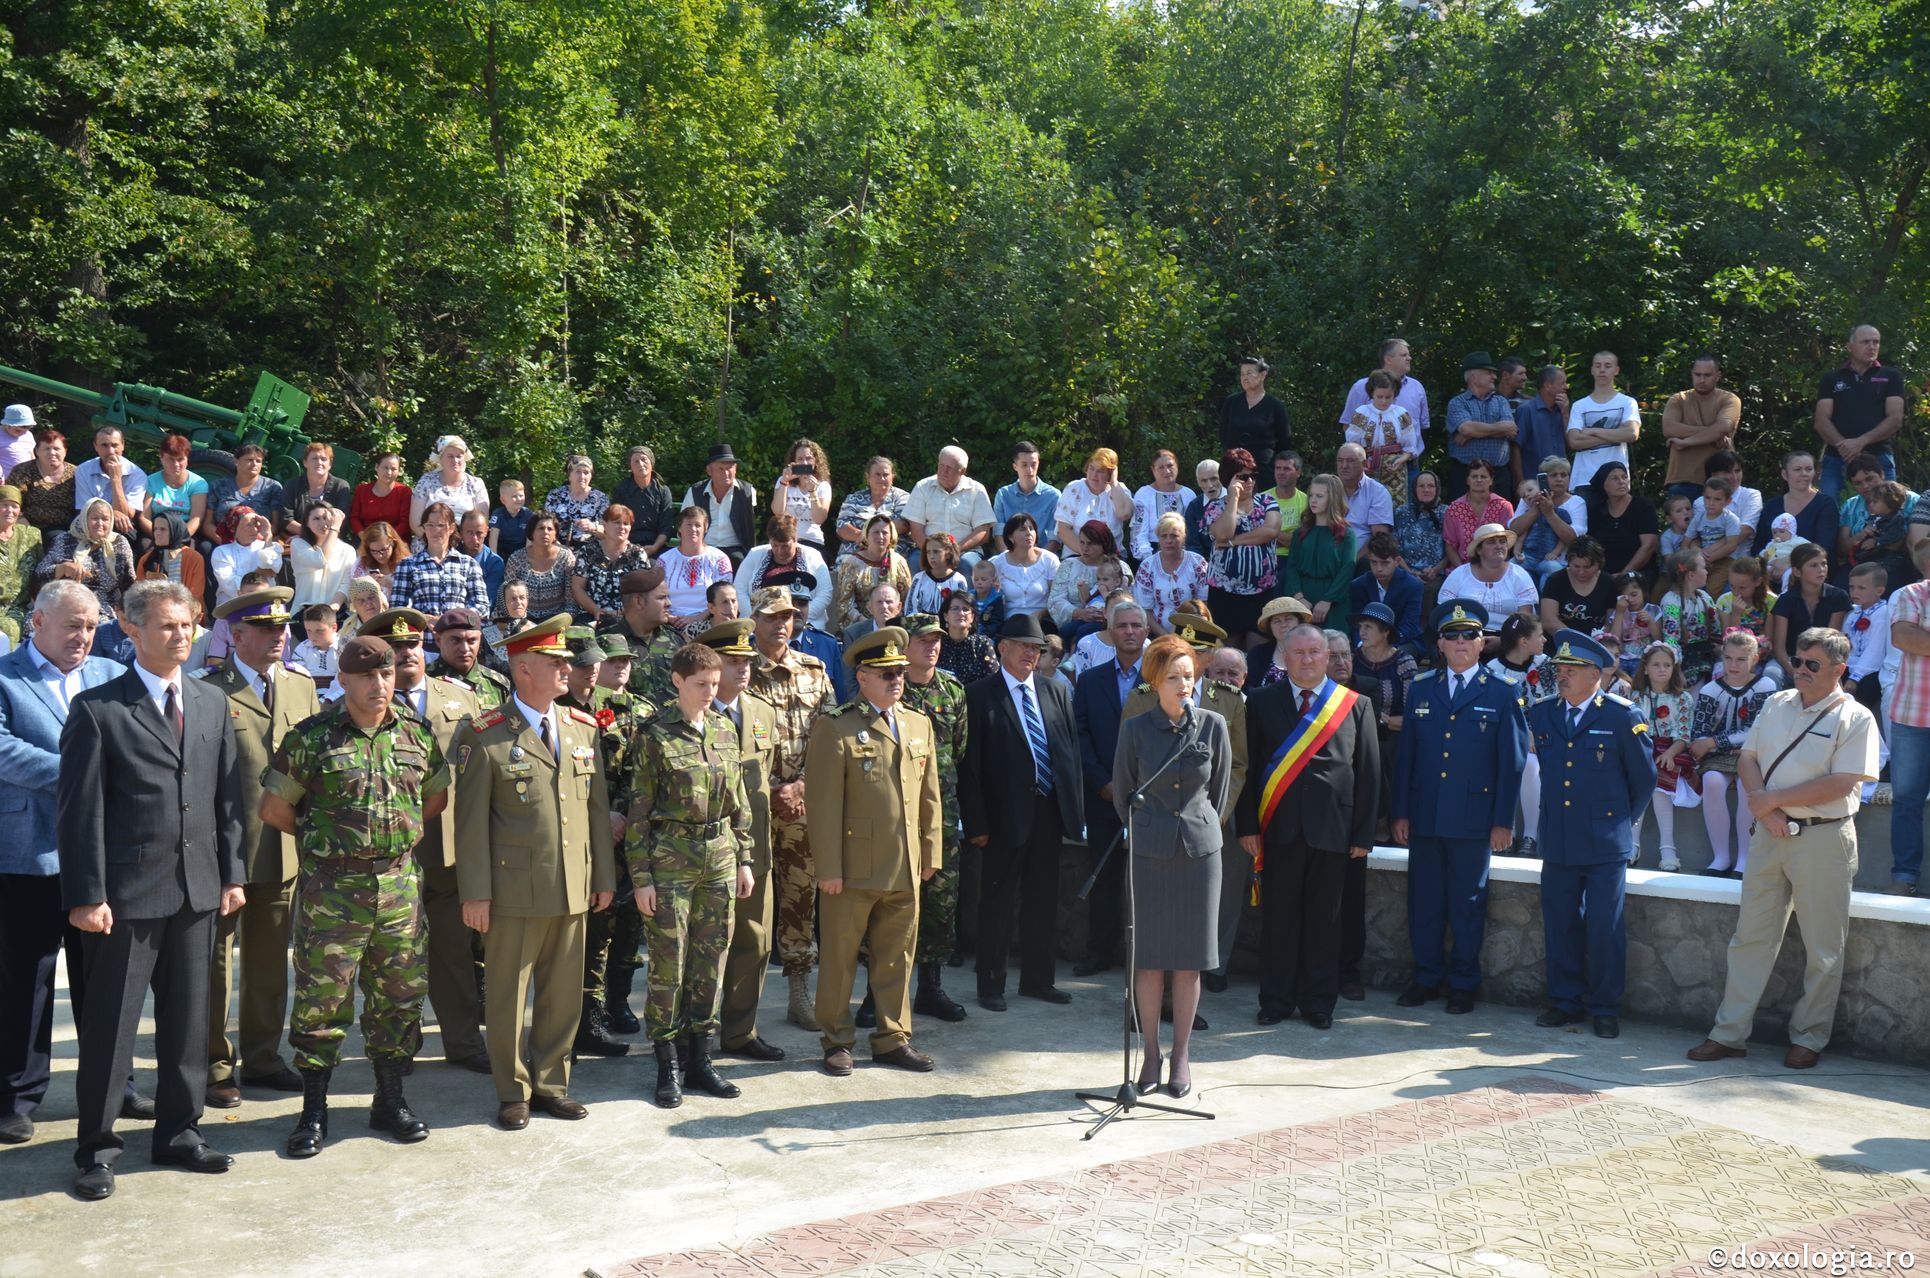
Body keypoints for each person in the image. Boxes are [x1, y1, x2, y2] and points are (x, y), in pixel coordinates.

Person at [58, 579, 247, 1200]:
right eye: (167, 626)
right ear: (132, 631)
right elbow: (79, 814)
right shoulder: (98, 709)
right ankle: (97, 1147)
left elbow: (226, 799)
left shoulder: (212, 703)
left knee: (188, 1022)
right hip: (125, 899)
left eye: (187, 624)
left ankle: (179, 1131)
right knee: (112, 1029)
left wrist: (232, 873)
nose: (180, 635)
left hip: (197, 892)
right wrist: (87, 896)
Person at [259, 635, 446, 1155]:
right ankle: (314, 1110)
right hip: (333, 892)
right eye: (366, 676)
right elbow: (274, 809)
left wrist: (391, 842)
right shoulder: (313, 738)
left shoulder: (415, 733)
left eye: (386, 674)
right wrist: (329, 840)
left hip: (399, 890)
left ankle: (389, 1100)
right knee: (323, 1001)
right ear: (342, 680)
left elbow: (435, 797)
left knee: (399, 998)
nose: (379, 684)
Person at [451, 614, 617, 1130]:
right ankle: (513, 1089)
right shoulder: (486, 736)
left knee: (563, 996)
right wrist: (475, 894)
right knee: (507, 997)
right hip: (513, 892)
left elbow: (594, 811)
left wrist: (604, 876)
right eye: (555, 662)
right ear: (523, 670)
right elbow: (470, 823)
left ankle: (551, 1083)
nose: (566, 669)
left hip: (573, 885)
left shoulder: (580, 727)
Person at [1687, 627, 1879, 1069]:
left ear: (1839, 670)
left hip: (1823, 836)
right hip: (1770, 834)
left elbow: (1843, 781)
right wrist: (1766, 811)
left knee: (1823, 945)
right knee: (1750, 936)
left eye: (1813, 664)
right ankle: (1729, 1033)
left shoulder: (1856, 718)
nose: (1802, 670)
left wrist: (1770, 802)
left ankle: (1809, 1038)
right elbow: (1750, 758)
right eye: (1798, 660)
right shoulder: (1776, 703)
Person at [0, 582, 125, 1146]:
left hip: (101, 856)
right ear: (38, 621)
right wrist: (81, 773)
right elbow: (3, 750)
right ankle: (17, 1097)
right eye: (73, 625)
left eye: (92, 626)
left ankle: (112, 1087)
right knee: (26, 980)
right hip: (28, 853)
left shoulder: (106, 675)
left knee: (106, 980)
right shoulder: (5, 677)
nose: (84, 637)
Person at [200, 588, 321, 1108]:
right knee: (214, 966)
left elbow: (310, 767)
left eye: (282, 628)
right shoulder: (209, 691)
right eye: (266, 629)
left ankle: (264, 1058)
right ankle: (212, 1065)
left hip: (283, 847)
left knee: (271, 961)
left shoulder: (300, 686)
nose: (279, 636)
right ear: (237, 635)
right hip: (222, 850)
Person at [805, 627, 944, 1076]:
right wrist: (828, 867)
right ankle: (836, 1040)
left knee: (897, 956)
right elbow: (823, 806)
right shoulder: (836, 726)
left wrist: (931, 852)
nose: (896, 680)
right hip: (852, 867)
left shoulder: (918, 723)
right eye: (886, 673)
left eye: (900, 672)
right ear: (862, 677)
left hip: (905, 865)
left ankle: (891, 1037)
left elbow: (930, 797)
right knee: (840, 958)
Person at [626, 640, 755, 1106]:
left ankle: (701, 1057)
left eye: (715, 685)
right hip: (671, 860)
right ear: (678, 681)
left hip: (718, 857)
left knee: (712, 960)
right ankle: (668, 1061)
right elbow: (638, 813)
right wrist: (641, 878)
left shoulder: (724, 729)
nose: (709, 693)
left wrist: (744, 859)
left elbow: (738, 803)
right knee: (669, 964)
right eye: (701, 684)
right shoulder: (655, 734)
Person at [1237, 623, 1378, 1030]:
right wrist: (1247, 826)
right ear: (1285, 655)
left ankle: (1319, 1002)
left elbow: (1368, 772)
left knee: (1325, 922)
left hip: (1334, 831)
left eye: (1315, 653)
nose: (1307, 660)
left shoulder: (1355, 704)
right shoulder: (1260, 702)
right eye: (1298, 653)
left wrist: (1363, 834)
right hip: (1277, 829)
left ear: (1328, 657)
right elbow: (1247, 769)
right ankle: (1276, 1000)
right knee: (1279, 920)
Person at [1391, 600, 1529, 1014]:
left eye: (1469, 635)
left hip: (1474, 820)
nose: (1460, 642)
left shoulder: (1503, 692)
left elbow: (1513, 762)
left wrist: (1503, 821)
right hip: (1427, 815)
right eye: (1452, 636)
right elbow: (1407, 758)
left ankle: (1464, 983)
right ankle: (1426, 978)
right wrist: (1400, 811)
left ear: (1482, 642)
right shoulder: (1421, 688)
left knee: (1468, 905)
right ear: (1441, 644)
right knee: (1425, 903)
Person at [370, 607, 490, 1074]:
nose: (406, 655)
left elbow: (481, 774)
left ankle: (462, 1042)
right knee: (394, 953)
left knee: (453, 950)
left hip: (448, 845)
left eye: (413, 646)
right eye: (395, 649)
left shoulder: (460, 698)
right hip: (392, 849)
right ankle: (398, 1045)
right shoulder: (367, 701)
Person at [1112, 633, 1232, 1098]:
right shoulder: (1136, 729)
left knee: (1189, 962)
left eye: (1189, 675)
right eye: (1174, 677)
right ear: (1155, 681)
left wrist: (1196, 827)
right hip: (1149, 853)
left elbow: (1217, 793)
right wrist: (1152, 828)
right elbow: (1124, 791)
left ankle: (1181, 1056)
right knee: (1149, 961)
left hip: (1200, 855)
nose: (1184, 684)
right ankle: (1150, 1053)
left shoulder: (1213, 725)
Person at [1524, 630, 1655, 1039]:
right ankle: (1565, 1002)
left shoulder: (1621, 715)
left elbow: (1644, 780)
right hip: (1559, 838)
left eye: (1570, 670)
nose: (1561, 676)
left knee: (1603, 926)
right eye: (1559, 669)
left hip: (1603, 843)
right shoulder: (1544, 714)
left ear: (1594, 674)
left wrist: (1617, 822)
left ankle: (1604, 1006)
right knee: (1560, 923)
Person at [959, 612, 1083, 1011]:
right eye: (1025, 646)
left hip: (1047, 811)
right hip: (1000, 818)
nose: (1032, 653)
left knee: (1043, 899)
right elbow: (970, 767)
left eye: (1037, 648)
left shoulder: (1055, 691)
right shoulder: (978, 695)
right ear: (1003, 648)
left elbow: (1068, 755)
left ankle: (1037, 980)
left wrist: (1073, 814)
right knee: (996, 902)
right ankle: (990, 985)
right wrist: (976, 823)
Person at [1123, 608, 1250, 993]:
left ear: (1208, 659)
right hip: (1154, 828)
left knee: (1199, 922)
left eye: (1197, 653)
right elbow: (1128, 771)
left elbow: (1237, 765)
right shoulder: (1143, 698)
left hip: (1203, 825)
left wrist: (1213, 815)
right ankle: (1147, 1002)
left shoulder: (1227, 701)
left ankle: (1192, 997)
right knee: (1152, 924)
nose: (1188, 658)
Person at [744, 585, 838, 1030]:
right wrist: (771, 789)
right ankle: (742, 1002)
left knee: (801, 899)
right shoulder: (737, 670)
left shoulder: (814, 672)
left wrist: (800, 785)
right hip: (752, 807)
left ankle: (799, 992)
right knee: (750, 906)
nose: (782, 623)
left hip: (801, 807)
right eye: (771, 616)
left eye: (788, 616)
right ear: (754, 621)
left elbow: (830, 738)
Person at [702, 621, 787, 1062]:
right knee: (704, 946)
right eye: (734, 663)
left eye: (747, 662)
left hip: (756, 849)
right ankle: (690, 1037)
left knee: (754, 941)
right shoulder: (693, 712)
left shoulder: (762, 713)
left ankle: (740, 1032)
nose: (744, 670)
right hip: (705, 851)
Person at [896, 614, 970, 1020]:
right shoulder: (891, 687)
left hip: (942, 813)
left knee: (941, 902)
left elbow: (958, 750)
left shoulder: (953, 690)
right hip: (898, 812)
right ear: (905, 644)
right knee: (893, 902)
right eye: (923, 640)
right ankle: (881, 995)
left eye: (937, 640)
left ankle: (930, 987)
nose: (932, 647)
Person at [1072, 597, 1150, 978]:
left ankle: (1144, 958)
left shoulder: (1161, 679)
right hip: (1103, 795)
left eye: (1137, 626)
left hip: (1152, 799)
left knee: (1147, 883)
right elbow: (1080, 736)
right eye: (1123, 626)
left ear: (1147, 631)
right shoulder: (1089, 681)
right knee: (1102, 878)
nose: (1130, 632)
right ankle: (1098, 952)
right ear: (1110, 631)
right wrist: (1102, 782)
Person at [1882, 538, 1930, 896]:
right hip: (1912, 716)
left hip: (1912, 713)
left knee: (1908, 802)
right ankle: (1905, 876)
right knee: (1907, 801)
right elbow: (1903, 637)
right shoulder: (1910, 593)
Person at [1814, 324, 1905, 499]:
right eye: (1865, 342)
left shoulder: (1891, 376)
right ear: (1850, 347)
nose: (1872, 346)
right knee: (1827, 504)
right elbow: (1821, 421)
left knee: (1888, 505)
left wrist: (1860, 442)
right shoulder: (1832, 378)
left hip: (1879, 454)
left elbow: (1895, 419)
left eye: (1876, 342)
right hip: (1836, 456)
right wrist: (1845, 447)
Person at [1204, 449, 1281, 647]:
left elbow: (1270, 531)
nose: (1250, 482)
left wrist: (1232, 542)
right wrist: (1233, 500)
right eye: (1243, 477)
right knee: (1228, 652)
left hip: (1261, 593)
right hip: (1225, 594)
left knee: (1259, 648)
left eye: (1253, 476)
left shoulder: (1267, 502)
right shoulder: (1214, 507)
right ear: (1228, 479)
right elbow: (1222, 533)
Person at [1632, 641, 1696, 872]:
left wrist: (1670, 752)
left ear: (1674, 668)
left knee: (1660, 786)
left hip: (1671, 751)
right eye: (1656, 664)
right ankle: (1631, 843)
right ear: (1646, 668)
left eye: (1667, 665)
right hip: (1640, 747)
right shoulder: (1636, 696)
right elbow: (1632, 730)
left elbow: (1684, 734)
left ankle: (1668, 848)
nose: (1662, 669)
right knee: (1637, 782)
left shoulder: (1682, 699)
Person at [1279, 474, 1356, 629]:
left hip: (1333, 603)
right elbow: (1292, 567)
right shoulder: (1300, 532)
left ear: (1332, 499)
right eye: (1311, 495)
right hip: (1302, 599)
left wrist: (1327, 600)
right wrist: (1299, 598)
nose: (1313, 500)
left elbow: (1347, 570)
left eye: (1319, 496)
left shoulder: (1347, 534)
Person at [1441, 524, 1538, 646]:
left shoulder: (1519, 575)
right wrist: (1465, 636)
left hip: (1509, 638)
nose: (1499, 546)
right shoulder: (1460, 574)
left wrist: (1504, 640)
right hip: (1464, 636)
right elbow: (1445, 611)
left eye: (1502, 542)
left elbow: (1524, 618)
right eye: (1491, 542)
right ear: (1479, 550)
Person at [39, 497, 136, 617]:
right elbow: (40, 572)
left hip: (103, 607)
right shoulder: (65, 540)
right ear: (84, 518)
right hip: (65, 603)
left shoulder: (119, 542)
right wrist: (61, 568)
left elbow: (129, 582)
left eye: (105, 519)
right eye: (95, 518)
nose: (100, 524)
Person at [1661, 356, 1740, 501]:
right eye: (1697, 375)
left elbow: (1724, 426)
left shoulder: (1729, 399)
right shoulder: (1678, 399)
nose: (1702, 380)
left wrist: (1686, 442)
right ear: (1692, 374)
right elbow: (1669, 428)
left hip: (1721, 479)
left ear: (1718, 376)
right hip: (1682, 478)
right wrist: (1714, 433)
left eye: (1707, 375)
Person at [391, 501, 488, 618]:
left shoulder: (469, 564)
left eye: (441, 525)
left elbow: (483, 608)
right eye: (430, 525)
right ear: (423, 528)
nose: (435, 530)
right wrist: (422, 619)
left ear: (451, 528)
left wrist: (453, 619)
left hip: (458, 633)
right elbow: (396, 609)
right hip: (422, 633)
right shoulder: (407, 565)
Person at [904, 445, 995, 570]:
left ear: (962, 471)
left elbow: (983, 531)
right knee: (915, 561)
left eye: (949, 468)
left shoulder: (976, 490)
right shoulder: (923, 487)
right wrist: (932, 552)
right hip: (927, 549)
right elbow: (916, 530)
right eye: (941, 466)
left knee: (967, 564)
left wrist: (955, 549)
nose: (943, 472)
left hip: (965, 550)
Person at [1769, 544, 1848, 683]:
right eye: (1813, 565)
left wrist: (1812, 670)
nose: (1821, 569)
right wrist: (1795, 672)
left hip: (1823, 660)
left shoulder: (1838, 597)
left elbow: (1830, 641)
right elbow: (1779, 648)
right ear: (1797, 572)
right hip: (1791, 660)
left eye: (1824, 564)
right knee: (1771, 675)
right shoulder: (1786, 600)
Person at [738, 514, 834, 629]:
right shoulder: (755, 554)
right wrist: (757, 618)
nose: (780, 551)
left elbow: (825, 593)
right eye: (775, 545)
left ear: (795, 539)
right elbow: (739, 590)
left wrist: (794, 619)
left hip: (806, 624)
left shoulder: (813, 555)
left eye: (785, 546)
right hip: (759, 625)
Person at [1444, 352, 1518, 501]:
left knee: (1500, 523)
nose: (1494, 377)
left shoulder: (1501, 401)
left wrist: (1472, 433)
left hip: (1498, 477)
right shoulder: (1457, 403)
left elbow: (1511, 429)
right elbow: (1467, 428)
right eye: (1488, 372)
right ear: (1473, 377)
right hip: (1464, 475)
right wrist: (1497, 429)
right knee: (1462, 521)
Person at [1344, 370, 1420, 508]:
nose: (1384, 401)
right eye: (1379, 396)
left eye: (1388, 397)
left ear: (1395, 394)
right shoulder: (1362, 413)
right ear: (1371, 393)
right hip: (1367, 468)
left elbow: (1410, 446)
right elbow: (1352, 444)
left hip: (1395, 471)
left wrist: (1401, 460)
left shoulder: (1401, 414)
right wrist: (1361, 463)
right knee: (1367, 505)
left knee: (1396, 508)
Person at [831, 512, 912, 634]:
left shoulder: (899, 562)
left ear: (891, 536)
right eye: (875, 532)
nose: (880, 536)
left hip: (893, 625)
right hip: (861, 626)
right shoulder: (851, 563)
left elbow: (906, 599)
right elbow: (845, 603)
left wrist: (890, 621)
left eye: (885, 533)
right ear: (866, 535)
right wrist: (867, 624)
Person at [679, 442, 757, 568]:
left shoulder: (747, 492)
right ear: (709, 471)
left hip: (735, 549)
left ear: (735, 469)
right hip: (703, 547)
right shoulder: (695, 491)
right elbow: (685, 524)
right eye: (720, 469)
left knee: (739, 561)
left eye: (729, 468)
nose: (726, 473)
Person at [1132, 511, 1211, 634]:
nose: (1169, 541)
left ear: (1184, 537)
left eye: (1174, 536)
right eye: (1164, 536)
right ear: (1158, 538)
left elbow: (1204, 605)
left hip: (1193, 632)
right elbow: (1145, 611)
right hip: (1156, 634)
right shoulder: (1147, 567)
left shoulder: (1198, 563)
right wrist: (1167, 637)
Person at [1512, 457, 1587, 586]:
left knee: (1553, 571)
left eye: (1564, 475)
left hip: (1558, 561)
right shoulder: (1530, 497)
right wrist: (1536, 509)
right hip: (1528, 557)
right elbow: (1514, 530)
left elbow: (1574, 540)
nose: (1559, 479)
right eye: (1554, 475)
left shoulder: (1576, 502)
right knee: (1510, 568)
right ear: (1543, 479)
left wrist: (1549, 513)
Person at [1753, 451, 1839, 561]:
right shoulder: (1771, 506)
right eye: (1797, 469)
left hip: (1812, 570)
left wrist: (1788, 563)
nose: (1804, 473)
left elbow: (1824, 547)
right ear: (1784, 474)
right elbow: (1758, 546)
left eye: (1808, 469)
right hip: (1771, 569)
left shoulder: (1825, 504)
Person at [1585, 460, 1660, 579]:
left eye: (1624, 477)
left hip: (1639, 572)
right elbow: (1591, 546)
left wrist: (1623, 575)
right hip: (1603, 574)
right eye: (1614, 478)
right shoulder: (1596, 510)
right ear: (1603, 484)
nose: (1621, 482)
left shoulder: (1643, 506)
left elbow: (1649, 545)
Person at [1220, 354, 1293, 476]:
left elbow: (1285, 441)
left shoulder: (1275, 406)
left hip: (1264, 469)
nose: (1245, 378)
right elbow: (1223, 434)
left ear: (1262, 375)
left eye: (1249, 373)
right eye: (1242, 374)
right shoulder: (1231, 402)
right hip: (1235, 469)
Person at [408, 435, 489, 542]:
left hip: (466, 545)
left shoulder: (476, 484)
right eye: (450, 456)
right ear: (441, 459)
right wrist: (436, 544)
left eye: (459, 456)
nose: (455, 460)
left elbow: (482, 522)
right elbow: (415, 522)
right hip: (429, 543)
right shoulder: (426, 481)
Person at [1053, 447, 1134, 551]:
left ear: (1110, 473)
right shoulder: (1074, 488)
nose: (1094, 475)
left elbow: (1124, 514)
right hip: (1078, 555)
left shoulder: (1119, 489)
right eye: (1091, 468)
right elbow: (1063, 529)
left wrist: (1113, 482)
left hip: (1111, 557)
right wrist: (1088, 553)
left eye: (1101, 471)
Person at [502, 511, 577, 623]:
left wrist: (565, 622)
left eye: (550, 529)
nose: (545, 532)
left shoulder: (566, 558)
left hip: (556, 618)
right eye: (541, 528)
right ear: (532, 533)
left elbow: (571, 601)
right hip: (523, 619)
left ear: (555, 534)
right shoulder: (516, 559)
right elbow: (508, 596)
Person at [72, 426, 147, 537]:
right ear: (95, 446)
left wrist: (116, 479)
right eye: (104, 445)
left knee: (125, 527)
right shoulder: (83, 470)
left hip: (123, 526)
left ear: (123, 445)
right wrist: (113, 513)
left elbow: (127, 515)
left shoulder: (137, 475)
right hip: (91, 523)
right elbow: (85, 510)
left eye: (115, 445)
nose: (111, 451)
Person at [834, 455, 912, 563]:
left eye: (886, 475)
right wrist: (865, 536)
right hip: (852, 555)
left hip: (890, 555)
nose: (882, 478)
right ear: (868, 477)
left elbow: (903, 525)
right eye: (877, 475)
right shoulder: (853, 498)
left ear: (893, 476)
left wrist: (869, 537)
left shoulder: (902, 497)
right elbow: (842, 528)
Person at [432, 606, 511, 710]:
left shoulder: (498, 684)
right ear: (438, 640)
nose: (464, 649)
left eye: (471, 641)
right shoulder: (426, 681)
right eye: (456, 640)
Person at [1442, 458, 1515, 568]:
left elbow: (1507, 544)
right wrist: (1463, 571)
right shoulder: (1454, 509)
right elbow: (1450, 546)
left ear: (1491, 480)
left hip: (1496, 567)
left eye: (1484, 476)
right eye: (1474, 476)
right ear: (1467, 480)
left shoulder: (1503, 507)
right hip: (1462, 568)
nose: (1479, 480)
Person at [992, 440, 1061, 554]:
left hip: (1042, 556)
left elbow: (1054, 537)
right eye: (1024, 465)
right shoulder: (1003, 494)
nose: (1030, 470)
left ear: (1038, 463)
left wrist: (1039, 562)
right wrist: (1007, 560)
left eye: (1033, 464)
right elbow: (998, 533)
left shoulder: (1053, 496)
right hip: (1009, 555)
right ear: (1015, 466)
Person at [137, 435, 208, 544]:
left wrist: (177, 539)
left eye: (180, 459)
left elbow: (196, 518)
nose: (176, 464)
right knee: (144, 545)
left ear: (187, 459)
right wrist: (160, 537)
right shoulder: (151, 481)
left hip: (183, 534)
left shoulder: (198, 484)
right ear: (161, 458)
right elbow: (144, 518)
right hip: (156, 532)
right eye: (170, 459)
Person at [9, 426, 78, 536]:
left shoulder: (76, 473)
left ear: (65, 451)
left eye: (57, 449)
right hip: (25, 525)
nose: (52, 453)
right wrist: (20, 518)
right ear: (37, 451)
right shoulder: (22, 470)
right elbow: (10, 498)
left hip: (65, 529)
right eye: (47, 448)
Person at [1538, 537, 1614, 636]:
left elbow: (1611, 622)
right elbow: (1548, 621)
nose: (1581, 572)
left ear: (1599, 564)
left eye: (1587, 567)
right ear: (1569, 562)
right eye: (1576, 566)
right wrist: (1579, 640)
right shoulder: (1556, 580)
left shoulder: (1608, 582)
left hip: (1597, 642)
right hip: (1560, 642)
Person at [607, 446, 673, 558]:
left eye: (644, 460)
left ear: (651, 463)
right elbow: (615, 522)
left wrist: (654, 547)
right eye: (636, 462)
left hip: (656, 547)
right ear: (631, 467)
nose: (641, 464)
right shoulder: (622, 489)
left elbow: (666, 527)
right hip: (626, 546)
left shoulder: (663, 491)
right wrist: (628, 547)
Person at [1128, 450, 1195, 561]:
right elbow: (1138, 532)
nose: (1167, 471)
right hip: (1151, 550)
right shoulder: (1144, 494)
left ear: (1177, 467)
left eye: (1170, 466)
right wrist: (1149, 559)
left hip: (1181, 551)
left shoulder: (1188, 494)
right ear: (1153, 470)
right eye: (1161, 467)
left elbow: (1191, 531)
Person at [990, 512, 1059, 618]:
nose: (1029, 533)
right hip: (1009, 620)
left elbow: (1057, 597)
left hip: (1043, 619)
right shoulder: (998, 563)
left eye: (1031, 528)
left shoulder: (1049, 560)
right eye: (1022, 529)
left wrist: (1041, 614)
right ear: (1010, 537)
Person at [769, 438, 833, 554]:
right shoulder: (783, 481)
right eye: (800, 459)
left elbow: (819, 519)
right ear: (793, 462)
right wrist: (785, 482)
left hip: (812, 541)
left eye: (808, 458)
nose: (804, 463)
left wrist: (812, 491)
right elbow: (778, 512)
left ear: (815, 461)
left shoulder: (822, 486)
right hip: (785, 540)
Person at [281, 442, 354, 541]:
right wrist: (308, 535)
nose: (319, 462)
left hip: (330, 540)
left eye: (324, 459)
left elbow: (341, 521)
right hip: (295, 538)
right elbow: (286, 520)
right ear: (305, 462)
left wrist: (317, 537)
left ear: (330, 465)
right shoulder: (292, 485)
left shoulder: (341, 487)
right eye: (315, 458)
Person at [290, 504, 356, 613]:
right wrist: (334, 529)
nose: (322, 523)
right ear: (307, 522)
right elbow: (319, 561)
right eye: (316, 519)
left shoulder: (347, 550)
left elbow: (347, 583)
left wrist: (333, 608)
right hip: (304, 611)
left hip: (336, 611)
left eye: (326, 518)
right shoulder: (298, 544)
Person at [1393, 470, 1449, 599]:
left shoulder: (1446, 513)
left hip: (1436, 574)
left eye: (1430, 486)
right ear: (1414, 489)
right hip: (1405, 571)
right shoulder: (1401, 512)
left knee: (1432, 591)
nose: (1426, 490)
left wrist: (1434, 571)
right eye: (1421, 486)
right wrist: (1410, 572)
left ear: (1437, 489)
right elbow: (1394, 548)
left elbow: (1451, 549)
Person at [210, 508, 280, 608]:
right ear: (234, 528)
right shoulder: (222, 552)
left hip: (264, 603)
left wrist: (268, 537)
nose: (255, 529)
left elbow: (273, 568)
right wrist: (261, 572)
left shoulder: (267, 546)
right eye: (248, 525)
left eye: (256, 524)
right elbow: (231, 586)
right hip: (232, 607)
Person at [1334, 443, 1394, 555]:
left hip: (1362, 560)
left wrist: (1352, 562)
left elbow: (1379, 537)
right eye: (1340, 460)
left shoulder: (1377, 492)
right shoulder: (1328, 489)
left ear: (1364, 464)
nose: (1344, 466)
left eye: (1350, 461)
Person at [0, 486, 41, 645]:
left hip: (21, 607)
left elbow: (41, 573)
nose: (9, 510)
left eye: (14, 506)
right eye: (4, 505)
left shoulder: (31, 535)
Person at [1513, 366, 1571, 480]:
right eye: (1562, 383)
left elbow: (1571, 444)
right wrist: (1519, 482)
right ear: (1548, 386)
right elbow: (1515, 448)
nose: (1566, 387)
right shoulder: (1527, 410)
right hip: (1534, 481)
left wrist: (1565, 414)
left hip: (1561, 481)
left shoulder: (1563, 410)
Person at [545, 454, 610, 550]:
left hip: (590, 550)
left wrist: (593, 526)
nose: (582, 476)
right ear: (569, 475)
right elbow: (545, 525)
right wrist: (558, 546)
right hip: (557, 547)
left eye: (586, 472)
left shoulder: (600, 499)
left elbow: (609, 532)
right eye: (578, 472)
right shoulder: (555, 495)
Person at [936, 588, 997, 685]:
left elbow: (992, 681)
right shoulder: (937, 643)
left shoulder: (982, 644)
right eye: (955, 608)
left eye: (966, 609)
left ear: (972, 617)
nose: (961, 613)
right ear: (945, 616)